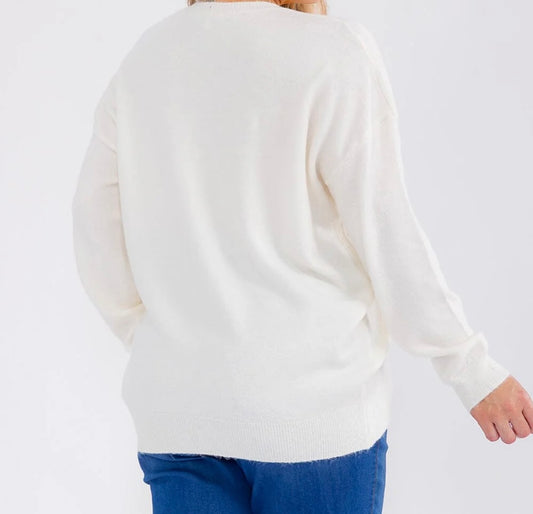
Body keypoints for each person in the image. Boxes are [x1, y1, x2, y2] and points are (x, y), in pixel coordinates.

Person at [71, 0, 533, 512]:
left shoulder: (146, 59)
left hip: (180, 412)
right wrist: (470, 368)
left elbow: (95, 223)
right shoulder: (332, 52)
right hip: (312, 416)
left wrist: (160, 340)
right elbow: (385, 229)